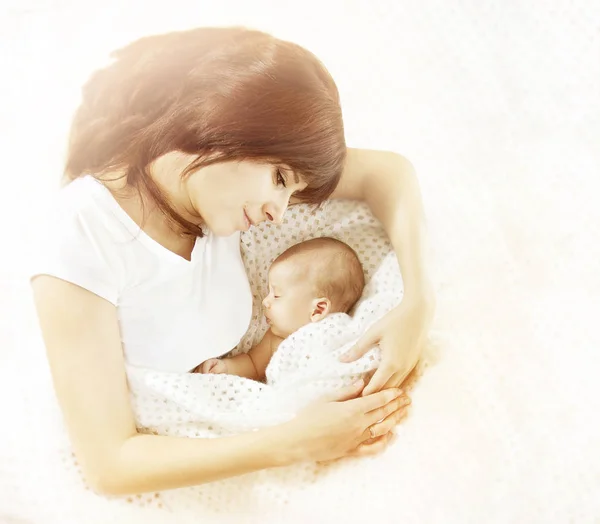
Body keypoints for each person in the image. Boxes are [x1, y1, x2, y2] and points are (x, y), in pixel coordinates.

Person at [30, 26, 434, 496]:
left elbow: (390, 172)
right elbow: (110, 465)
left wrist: (418, 301)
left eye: (294, 193)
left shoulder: (207, 200)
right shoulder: (82, 233)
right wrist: (295, 442)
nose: (278, 213)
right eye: (280, 178)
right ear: (224, 122)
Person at [196, 237, 365, 379]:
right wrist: (225, 368)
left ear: (318, 310)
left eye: (276, 295)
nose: (265, 302)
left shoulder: (341, 334)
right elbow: (253, 365)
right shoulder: (275, 338)